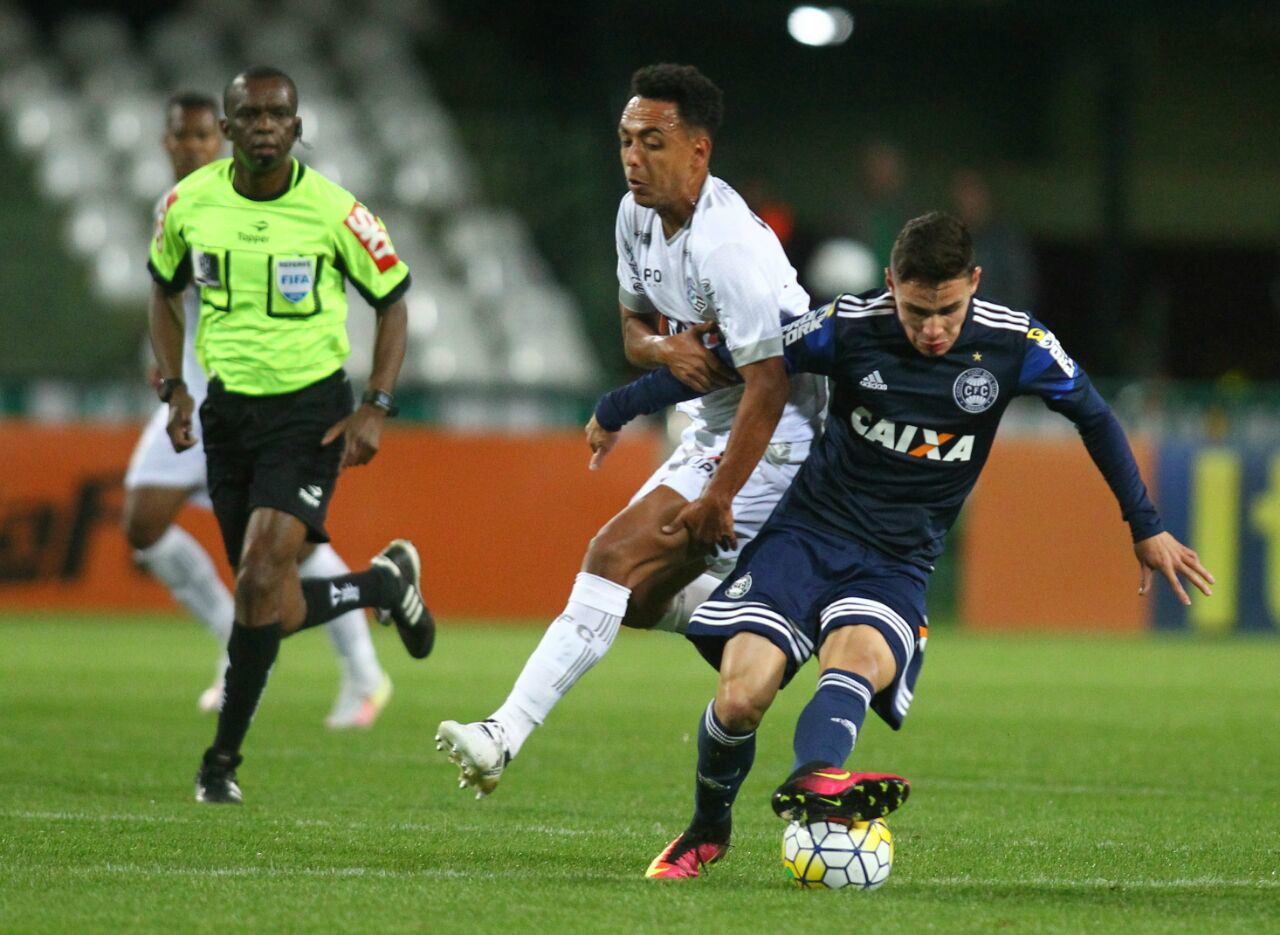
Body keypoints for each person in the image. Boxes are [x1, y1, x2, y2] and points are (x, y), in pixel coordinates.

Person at [585, 212, 1213, 879]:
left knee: (854, 659)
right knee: (740, 698)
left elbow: (1094, 413)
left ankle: (817, 774)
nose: (933, 329)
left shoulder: (1017, 343)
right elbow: (736, 361)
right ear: (890, 284)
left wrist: (1144, 524)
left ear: (975, 282)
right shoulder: (850, 326)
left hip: (896, 561)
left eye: (947, 310)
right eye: (917, 311)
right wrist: (622, 404)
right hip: (806, 536)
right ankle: (708, 829)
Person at [435, 63, 825, 797]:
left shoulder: (730, 247)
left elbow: (769, 386)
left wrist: (721, 497)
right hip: (712, 420)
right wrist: (662, 349)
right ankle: (775, 617)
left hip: (781, 430)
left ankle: (501, 734)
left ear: (699, 152)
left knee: (611, 555)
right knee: (637, 598)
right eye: (624, 140)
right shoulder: (632, 214)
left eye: (652, 141)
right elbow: (633, 331)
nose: (632, 158)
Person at [147, 66, 435, 804]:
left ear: (297, 127)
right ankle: (379, 583)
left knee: (256, 578)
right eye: (252, 114)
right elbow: (163, 289)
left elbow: (395, 300)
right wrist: (176, 383)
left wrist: (375, 402)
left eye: (280, 114)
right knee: (264, 604)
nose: (268, 125)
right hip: (226, 415)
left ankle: (220, 764)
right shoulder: (189, 204)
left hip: (308, 414)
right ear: (230, 127)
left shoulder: (335, 211)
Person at [123, 91, 393, 729]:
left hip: (260, 397)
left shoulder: (255, 201)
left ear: (217, 141)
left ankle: (363, 671)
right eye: (181, 137)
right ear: (167, 142)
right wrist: (166, 375)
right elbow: (163, 297)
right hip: (197, 394)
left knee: (283, 554)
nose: (191, 148)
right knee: (142, 521)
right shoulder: (179, 208)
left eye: (200, 139)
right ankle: (231, 640)